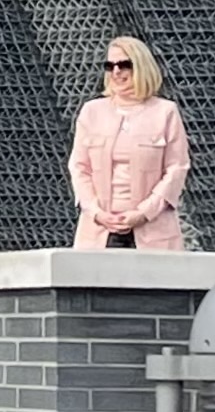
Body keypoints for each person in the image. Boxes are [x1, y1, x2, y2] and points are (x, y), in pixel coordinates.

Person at [68, 33, 190, 250]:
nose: (116, 72)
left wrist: (144, 213)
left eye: (124, 65)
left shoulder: (165, 112)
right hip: (99, 234)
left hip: (152, 233)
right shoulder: (91, 111)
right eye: (110, 65)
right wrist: (97, 213)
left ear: (141, 67)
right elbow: (79, 168)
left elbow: (176, 169)